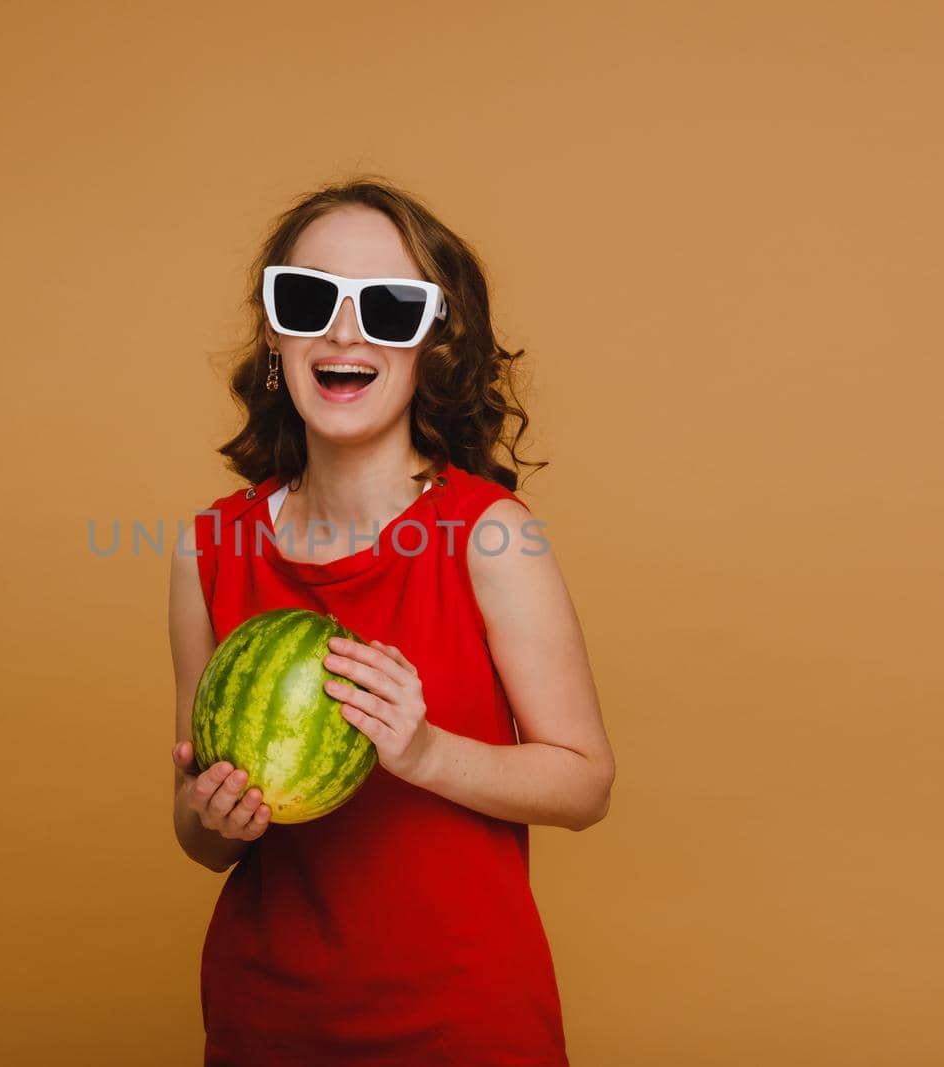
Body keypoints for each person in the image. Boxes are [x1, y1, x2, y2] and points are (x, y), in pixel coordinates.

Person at [168, 176, 615, 1066]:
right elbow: (195, 835)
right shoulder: (206, 548)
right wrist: (215, 815)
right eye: (308, 298)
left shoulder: (491, 537)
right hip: (266, 1020)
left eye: (388, 306)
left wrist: (424, 753)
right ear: (274, 331)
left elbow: (586, 782)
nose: (344, 332)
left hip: (464, 1021)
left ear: (431, 341)